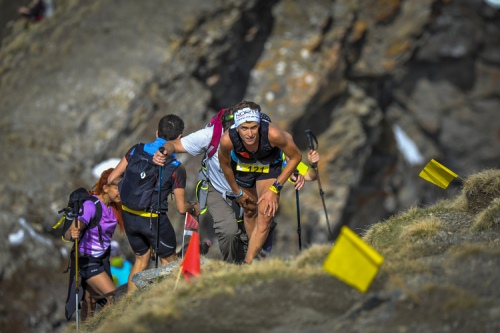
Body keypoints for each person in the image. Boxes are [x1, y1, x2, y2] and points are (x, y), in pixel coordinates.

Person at [108, 114, 199, 292]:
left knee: (141, 258)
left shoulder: (136, 150)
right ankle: (172, 300)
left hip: (129, 215)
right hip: (153, 220)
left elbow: (112, 178)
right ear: (179, 138)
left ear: (157, 132)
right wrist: (193, 207)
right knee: (169, 260)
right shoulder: (175, 167)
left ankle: (127, 305)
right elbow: (181, 208)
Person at [218, 101, 302, 264]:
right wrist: (237, 192)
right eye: (244, 128)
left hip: (269, 168)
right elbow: (225, 166)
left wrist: (275, 188)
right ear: (237, 127)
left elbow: (297, 156)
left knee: (266, 214)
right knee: (249, 211)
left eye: (253, 127)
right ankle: (256, 252)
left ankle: (248, 262)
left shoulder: (272, 133)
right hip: (243, 168)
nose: (249, 134)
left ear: (259, 124)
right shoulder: (228, 139)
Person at [64, 168, 124, 321]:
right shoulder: (91, 205)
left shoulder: (114, 207)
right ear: (105, 188)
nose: (120, 192)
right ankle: (108, 327)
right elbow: (72, 230)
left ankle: (87, 328)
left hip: (101, 259)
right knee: (114, 296)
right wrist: (73, 232)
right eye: (117, 188)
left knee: (90, 301)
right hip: (87, 260)